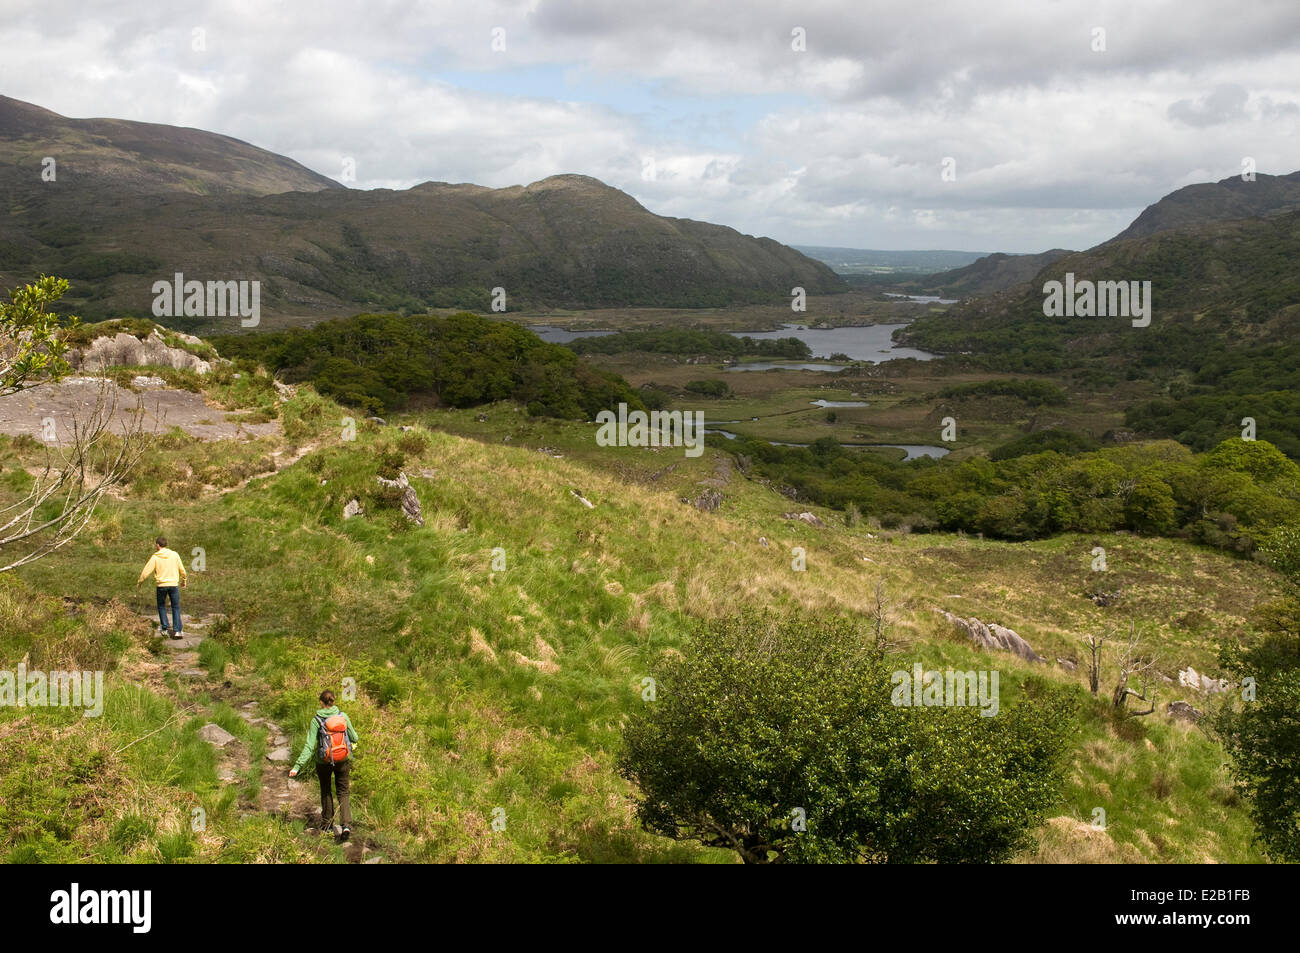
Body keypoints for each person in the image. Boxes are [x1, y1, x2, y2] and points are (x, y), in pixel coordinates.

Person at [289, 690, 358, 840]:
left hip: (324, 761)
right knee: (343, 791)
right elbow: (355, 737)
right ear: (333, 701)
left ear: (321, 702)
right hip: (342, 760)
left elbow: (309, 746)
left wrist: (297, 766)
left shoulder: (316, 720)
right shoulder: (343, 716)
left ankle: (327, 825)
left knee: (326, 790)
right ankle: (346, 825)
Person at [136, 536, 187, 639]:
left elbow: (146, 571)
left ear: (157, 545)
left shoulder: (155, 557)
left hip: (161, 585)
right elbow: (182, 569)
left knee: (161, 606)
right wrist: (184, 580)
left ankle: (164, 627)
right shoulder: (174, 554)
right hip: (173, 585)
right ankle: (177, 631)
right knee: (175, 607)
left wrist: (140, 582)